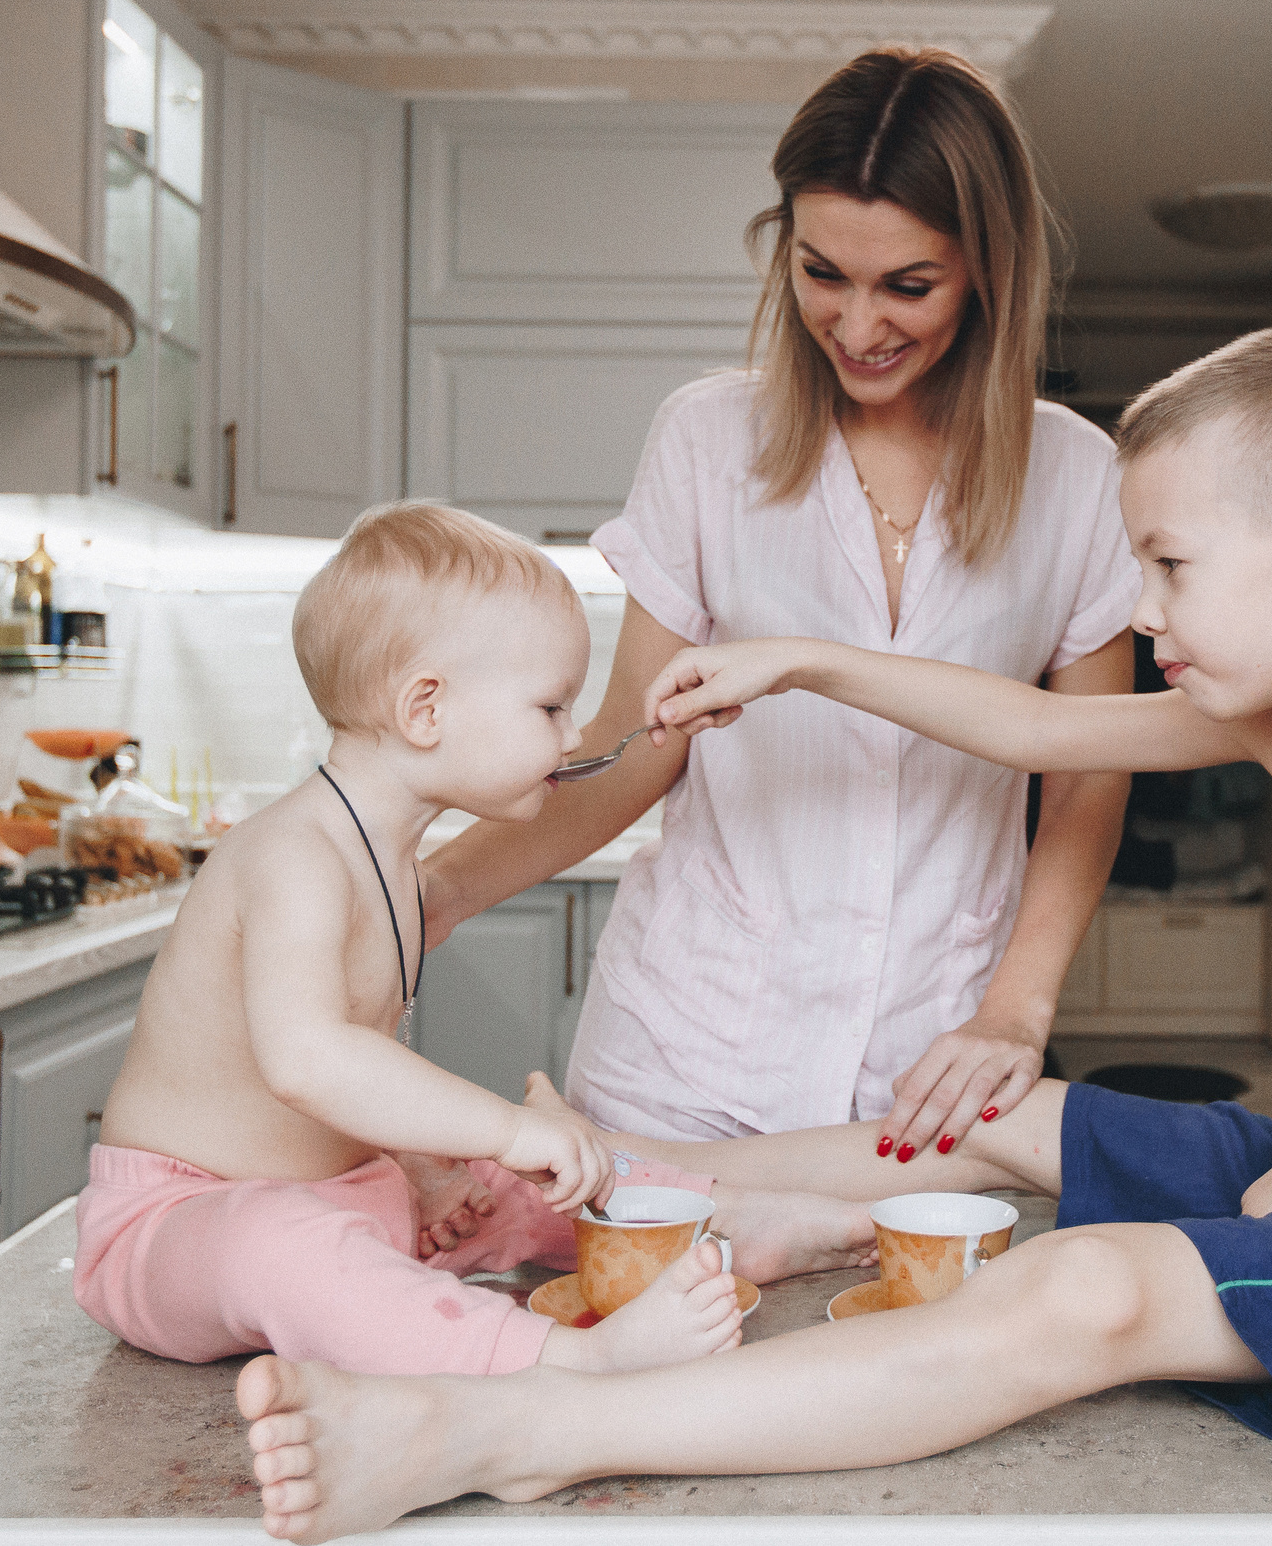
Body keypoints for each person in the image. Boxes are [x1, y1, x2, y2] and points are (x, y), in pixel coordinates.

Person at [229, 327, 1272, 1540]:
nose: (1139, 601)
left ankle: (523, 1426)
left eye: (1170, 565)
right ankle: (608, 1192)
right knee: (1007, 1116)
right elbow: (1040, 722)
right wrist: (804, 658)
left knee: (1084, 1284)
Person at [418, 46, 1138, 1157]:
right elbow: (635, 740)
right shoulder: (707, 441)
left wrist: (1018, 1007)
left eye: (908, 285)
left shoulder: (1078, 477)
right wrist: (436, 893)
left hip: (930, 1060)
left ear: (991, 267)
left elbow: (1089, 770)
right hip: (688, 1043)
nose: (856, 327)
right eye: (821, 274)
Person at [79, 502, 875, 1384]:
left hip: (346, 1196)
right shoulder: (294, 856)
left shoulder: (389, 866)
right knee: (284, 1244)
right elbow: (306, 1059)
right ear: (426, 708)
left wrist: (422, 1170)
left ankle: (723, 1220)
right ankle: (564, 1358)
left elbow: (360, 1071)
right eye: (550, 705)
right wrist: (502, 1127)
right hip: (182, 1221)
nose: (573, 734)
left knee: (527, 1186)